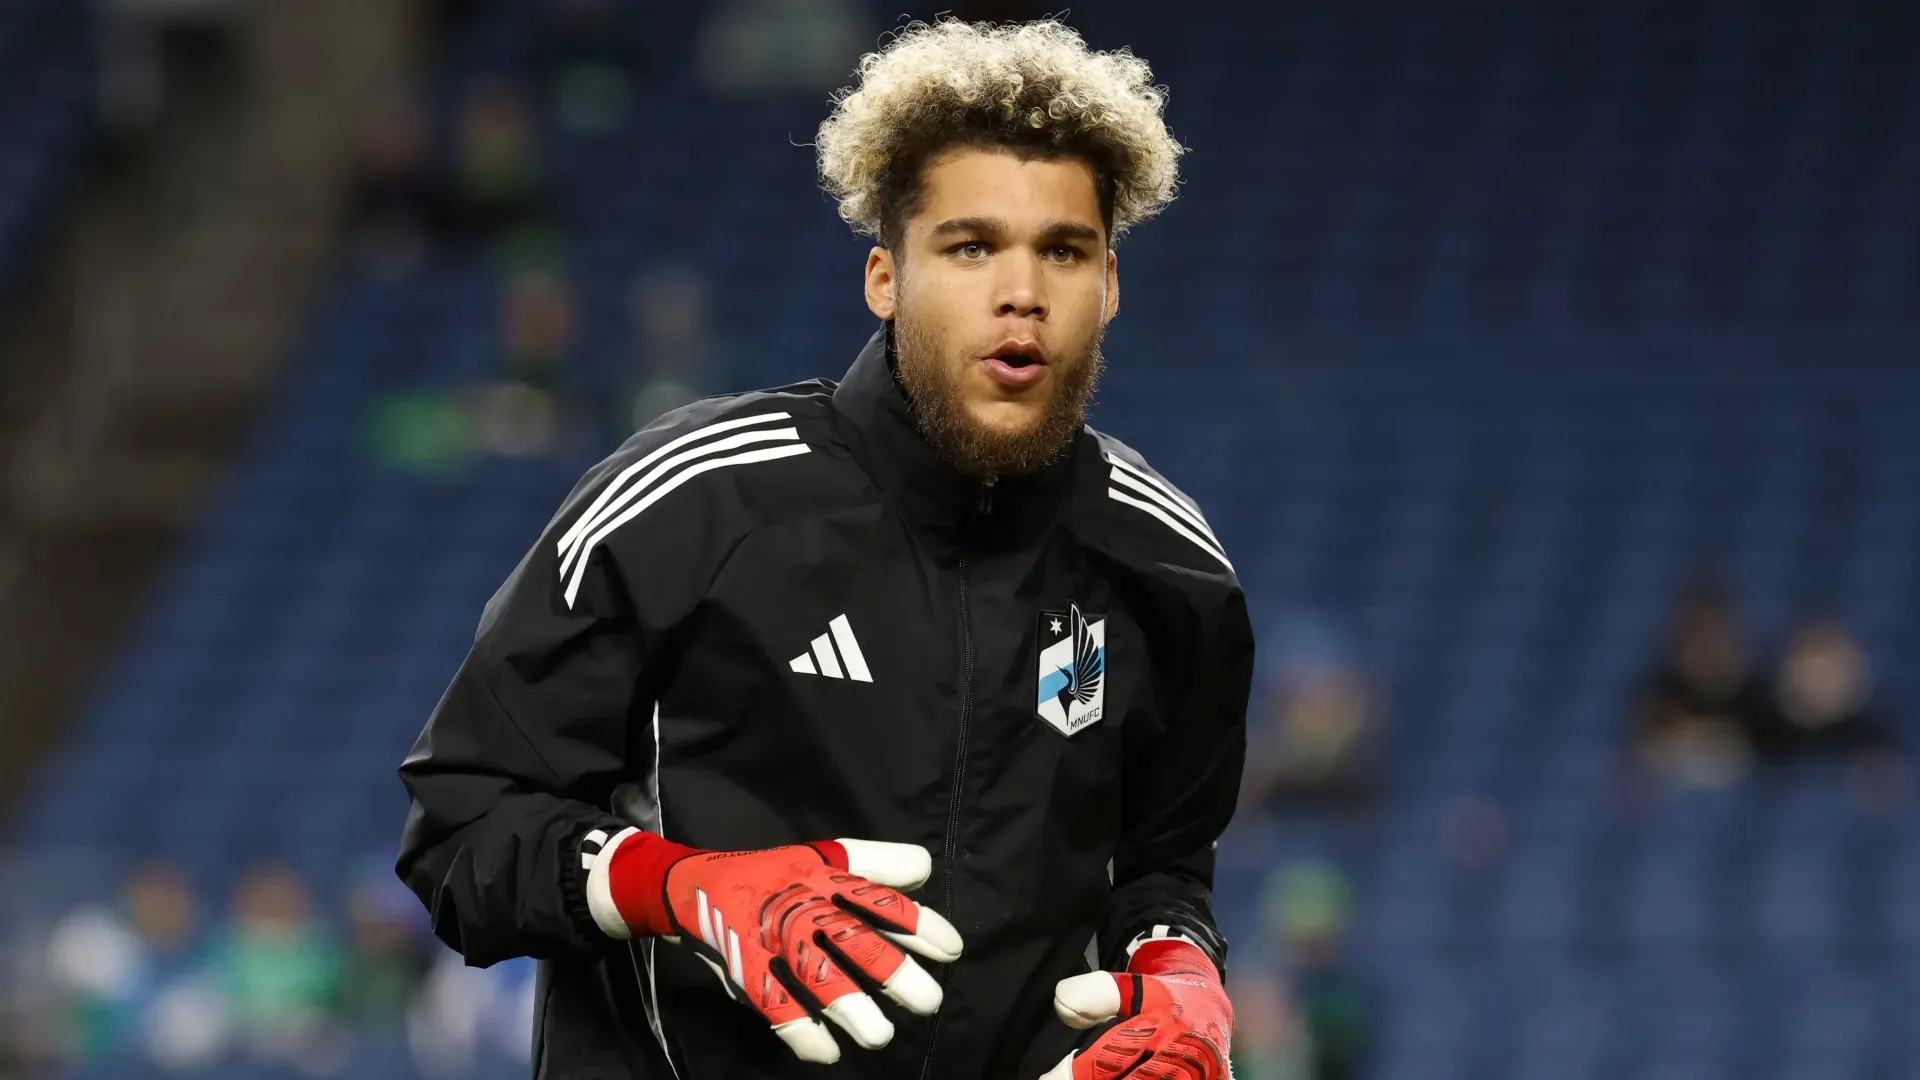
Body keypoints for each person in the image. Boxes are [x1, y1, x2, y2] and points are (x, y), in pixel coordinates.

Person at [396, 18, 1247, 1080]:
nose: (1021, 290)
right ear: (885, 279)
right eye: (971, 245)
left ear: (1109, 285)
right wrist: (685, 886)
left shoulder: (1171, 570)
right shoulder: (694, 502)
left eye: (1063, 250)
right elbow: (461, 833)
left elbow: (1162, 871)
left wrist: (1182, 978)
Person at [1632, 580, 1767, 788]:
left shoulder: (1754, 696)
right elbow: (1648, 754)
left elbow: (1760, 752)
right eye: (1695, 637)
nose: (1703, 648)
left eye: (1711, 637)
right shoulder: (1661, 692)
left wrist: (1688, 736)